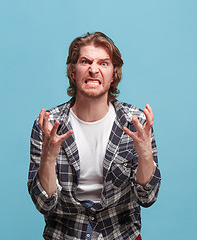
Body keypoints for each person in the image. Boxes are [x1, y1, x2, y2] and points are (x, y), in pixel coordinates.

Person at [27, 32, 161, 240]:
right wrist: (49, 157)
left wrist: (144, 153)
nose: (93, 69)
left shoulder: (136, 123)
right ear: (73, 72)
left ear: (114, 75)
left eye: (103, 63)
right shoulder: (48, 125)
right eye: (85, 61)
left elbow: (148, 197)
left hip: (121, 235)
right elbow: (44, 203)